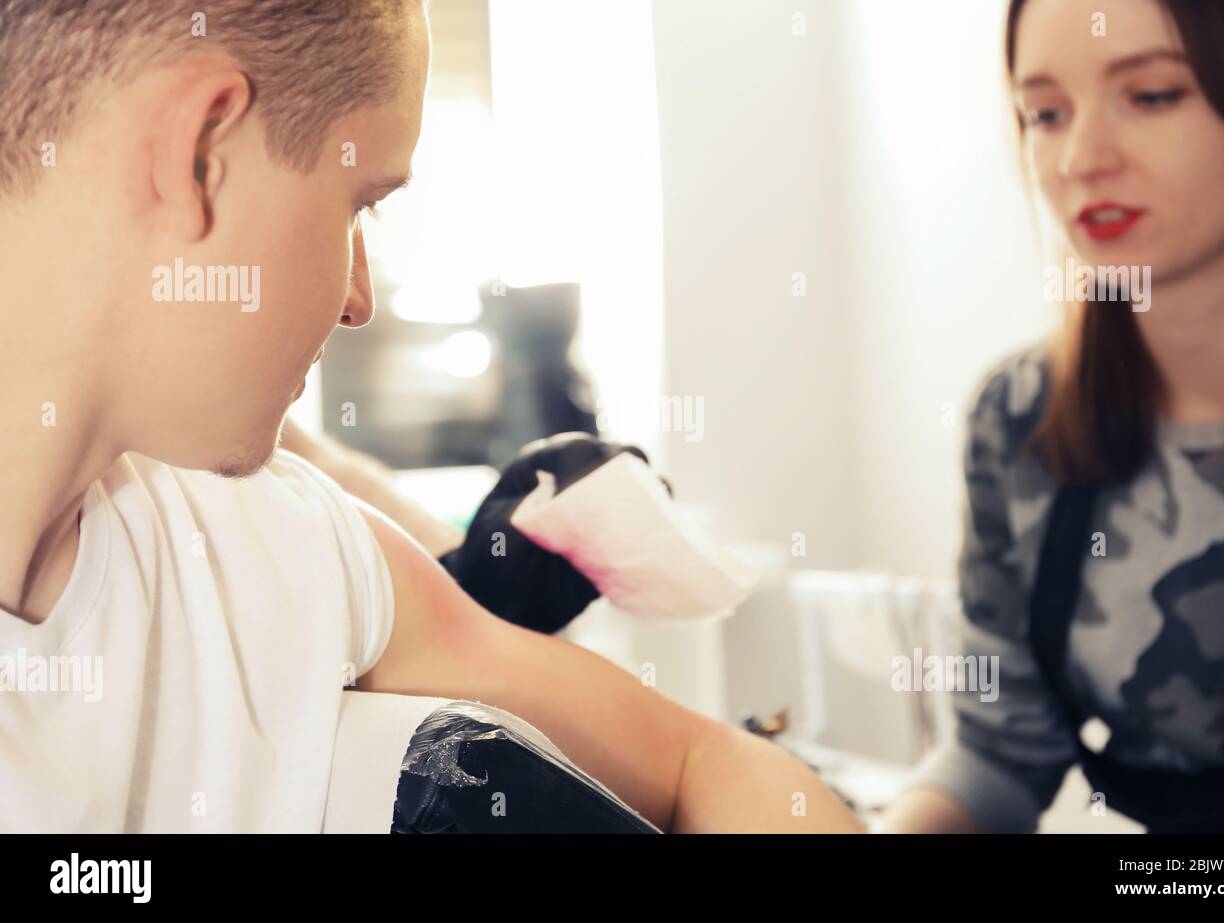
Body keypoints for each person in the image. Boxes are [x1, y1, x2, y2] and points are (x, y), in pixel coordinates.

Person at [0, 0, 863, 834]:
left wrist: (464, 566)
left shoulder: (281, 544)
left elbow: (702, 762)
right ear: (199, 157)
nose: (358, 298)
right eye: (359, 204)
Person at [884, 0, 1224, 834]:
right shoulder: (1017, 418)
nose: (1081, 158)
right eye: (1045, 113)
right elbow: (1001, 752)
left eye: (1150, 96)